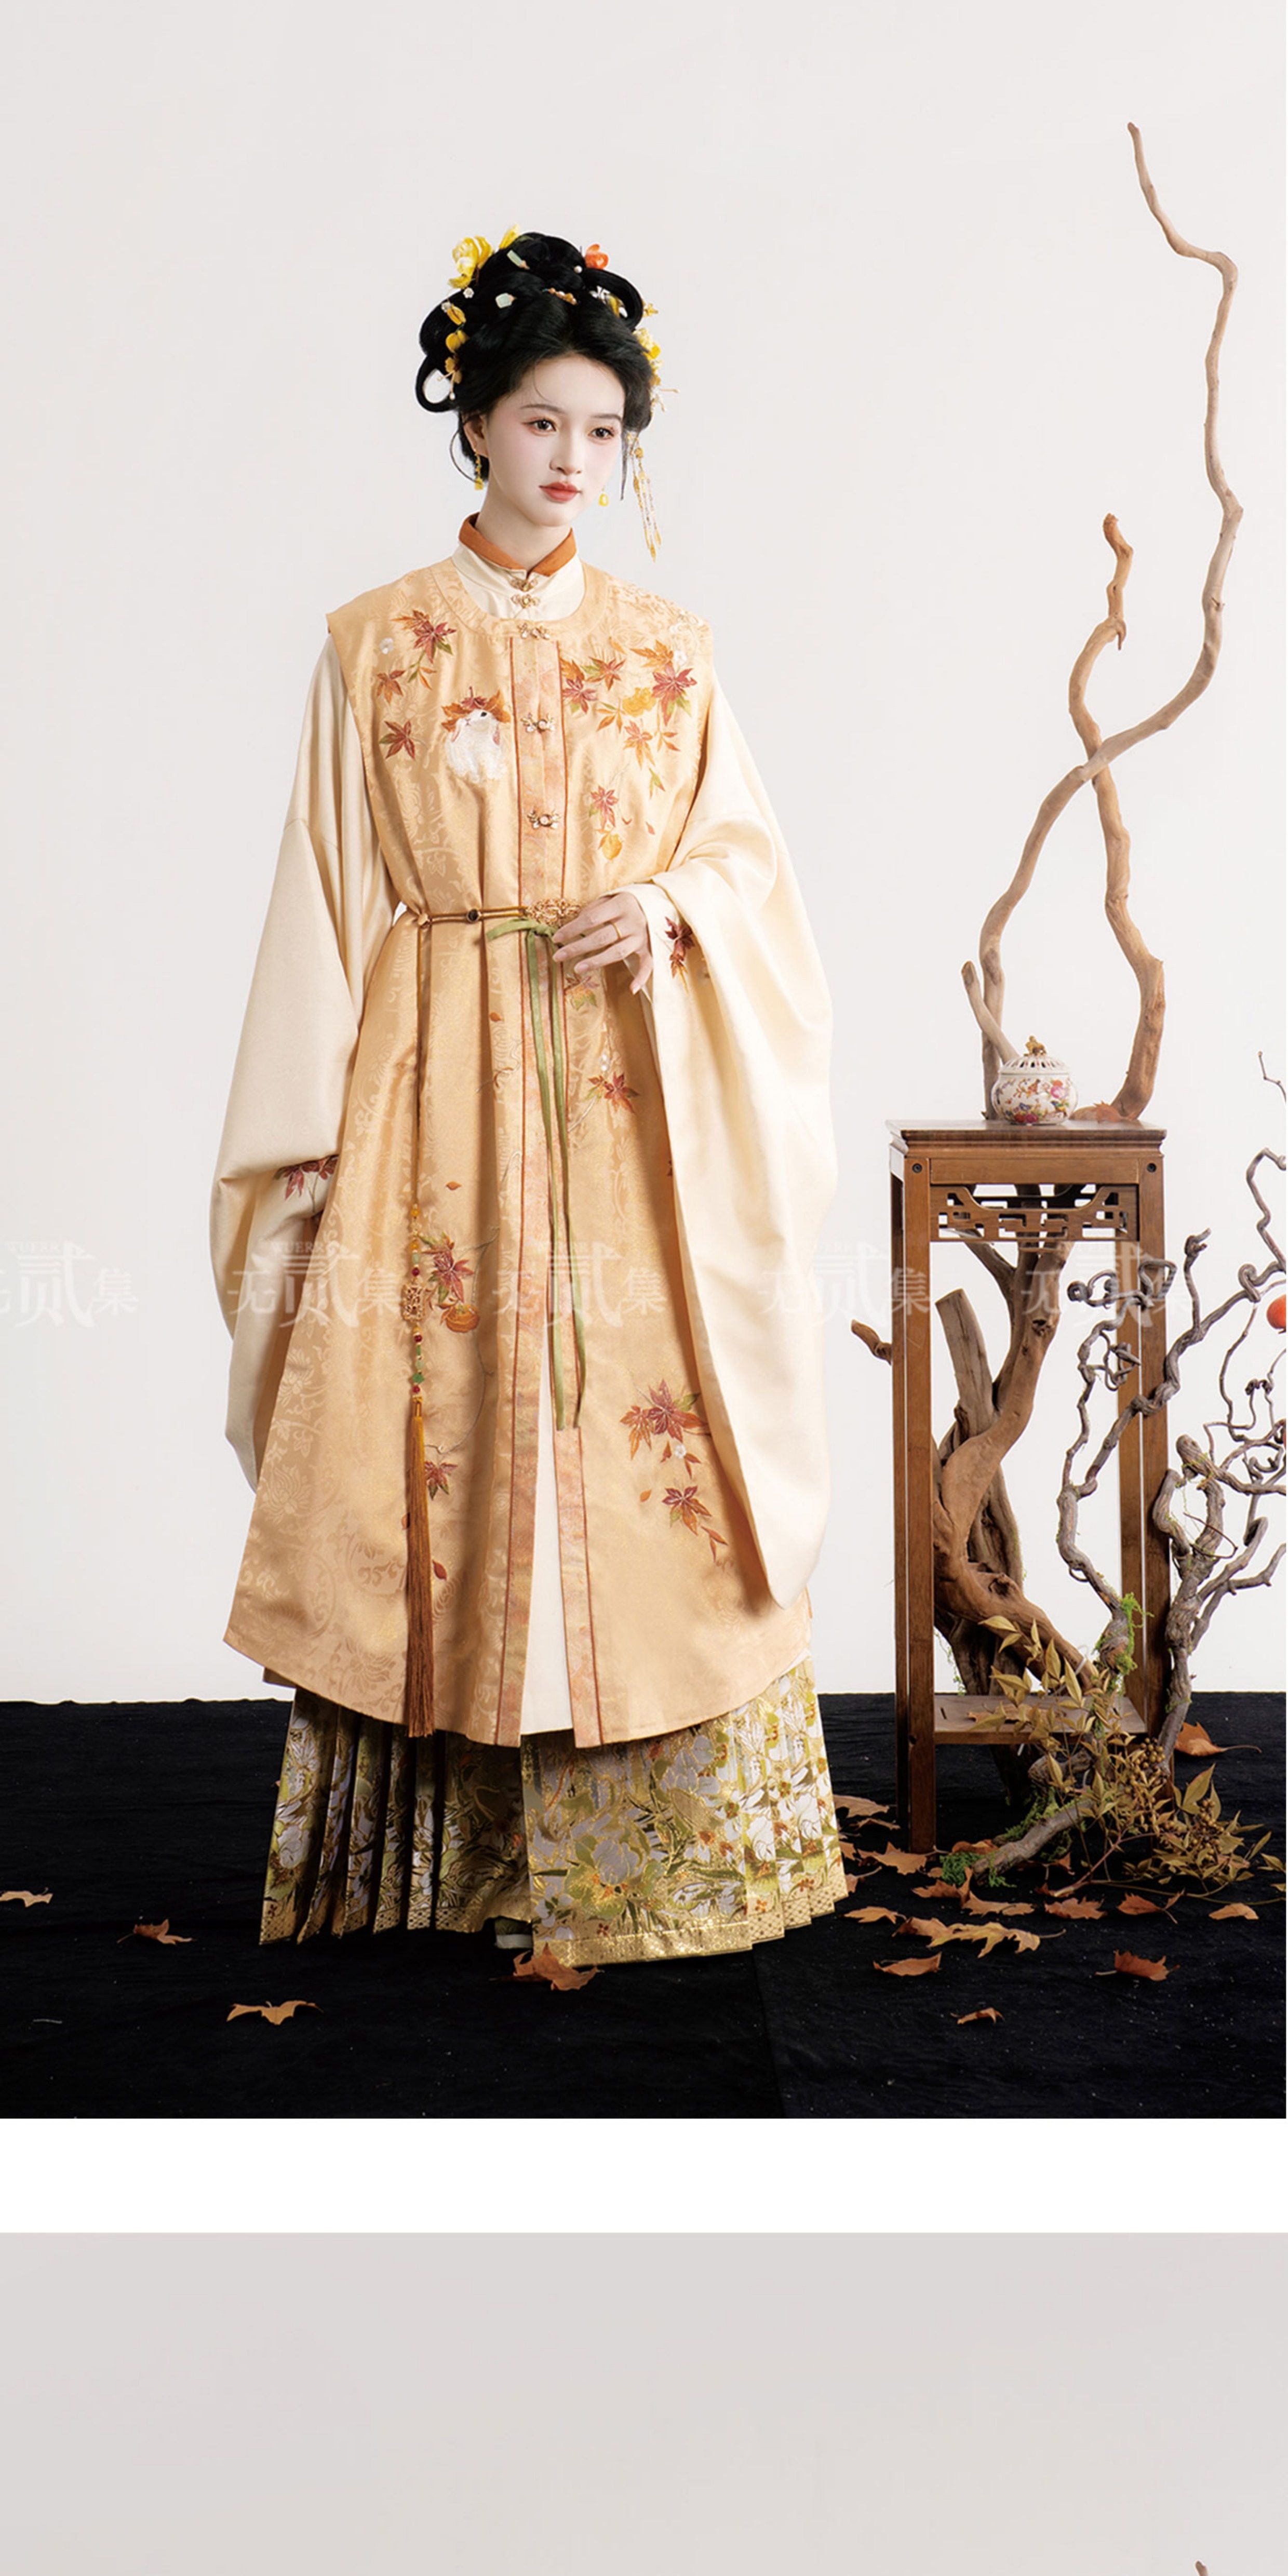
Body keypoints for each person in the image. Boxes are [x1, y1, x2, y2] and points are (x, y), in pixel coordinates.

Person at [210, 227, 844, 1968]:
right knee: (434, 1427)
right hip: (433, 1089)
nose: (574, 460)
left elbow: (750, 865)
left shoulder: (670, 650)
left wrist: (673, 906)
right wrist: (316, 1140)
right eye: (543, 422)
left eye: (606, 433)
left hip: (625, 1094)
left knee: (640, 1426)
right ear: (477, 422)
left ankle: (667, 1864)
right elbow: (323, 898)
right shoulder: (376, 648)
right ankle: (443, 1859)